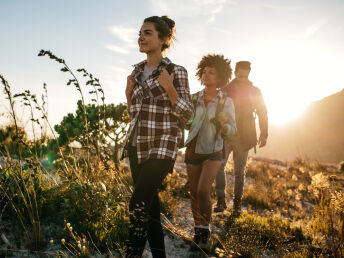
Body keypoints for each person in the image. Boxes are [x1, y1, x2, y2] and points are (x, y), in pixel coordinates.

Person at [121, 16, 193, 257]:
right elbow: (134, 114)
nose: (141, 37)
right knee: (150, 207)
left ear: (163, 39)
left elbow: (188, 115)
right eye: (140, 32)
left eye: (148, 33)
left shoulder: (175, 71)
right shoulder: (136, 72)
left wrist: (170, 89)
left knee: (138, 201)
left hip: (164, 143)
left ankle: (132, 253)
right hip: (137, 144)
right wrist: (129, 94)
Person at [184, 54, 237, 250]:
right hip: (192, 149)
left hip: (214, 151)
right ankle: (197, 232)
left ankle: (205, 233)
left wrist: (224, 126)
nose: (206, 76)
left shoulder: (227, 102)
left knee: (203, 190)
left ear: (221, 77)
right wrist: (188, 120)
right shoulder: (194, 98)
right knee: (193, 193)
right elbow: (187, 123)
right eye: (204, 72)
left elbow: (234, 129)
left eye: (211, 73)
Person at [213, 61, 268, 215]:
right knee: (219, 166)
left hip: (245, 136)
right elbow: (216, 109)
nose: (243, 78)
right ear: (236, 72)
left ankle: (237, 204)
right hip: (225, 134)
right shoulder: (225, 90)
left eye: (245, 75)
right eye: (240, 75)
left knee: (239, 171)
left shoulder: (255, 91)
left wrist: (264, 133)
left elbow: (263, 111)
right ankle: (221, 200)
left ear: (249, 73)